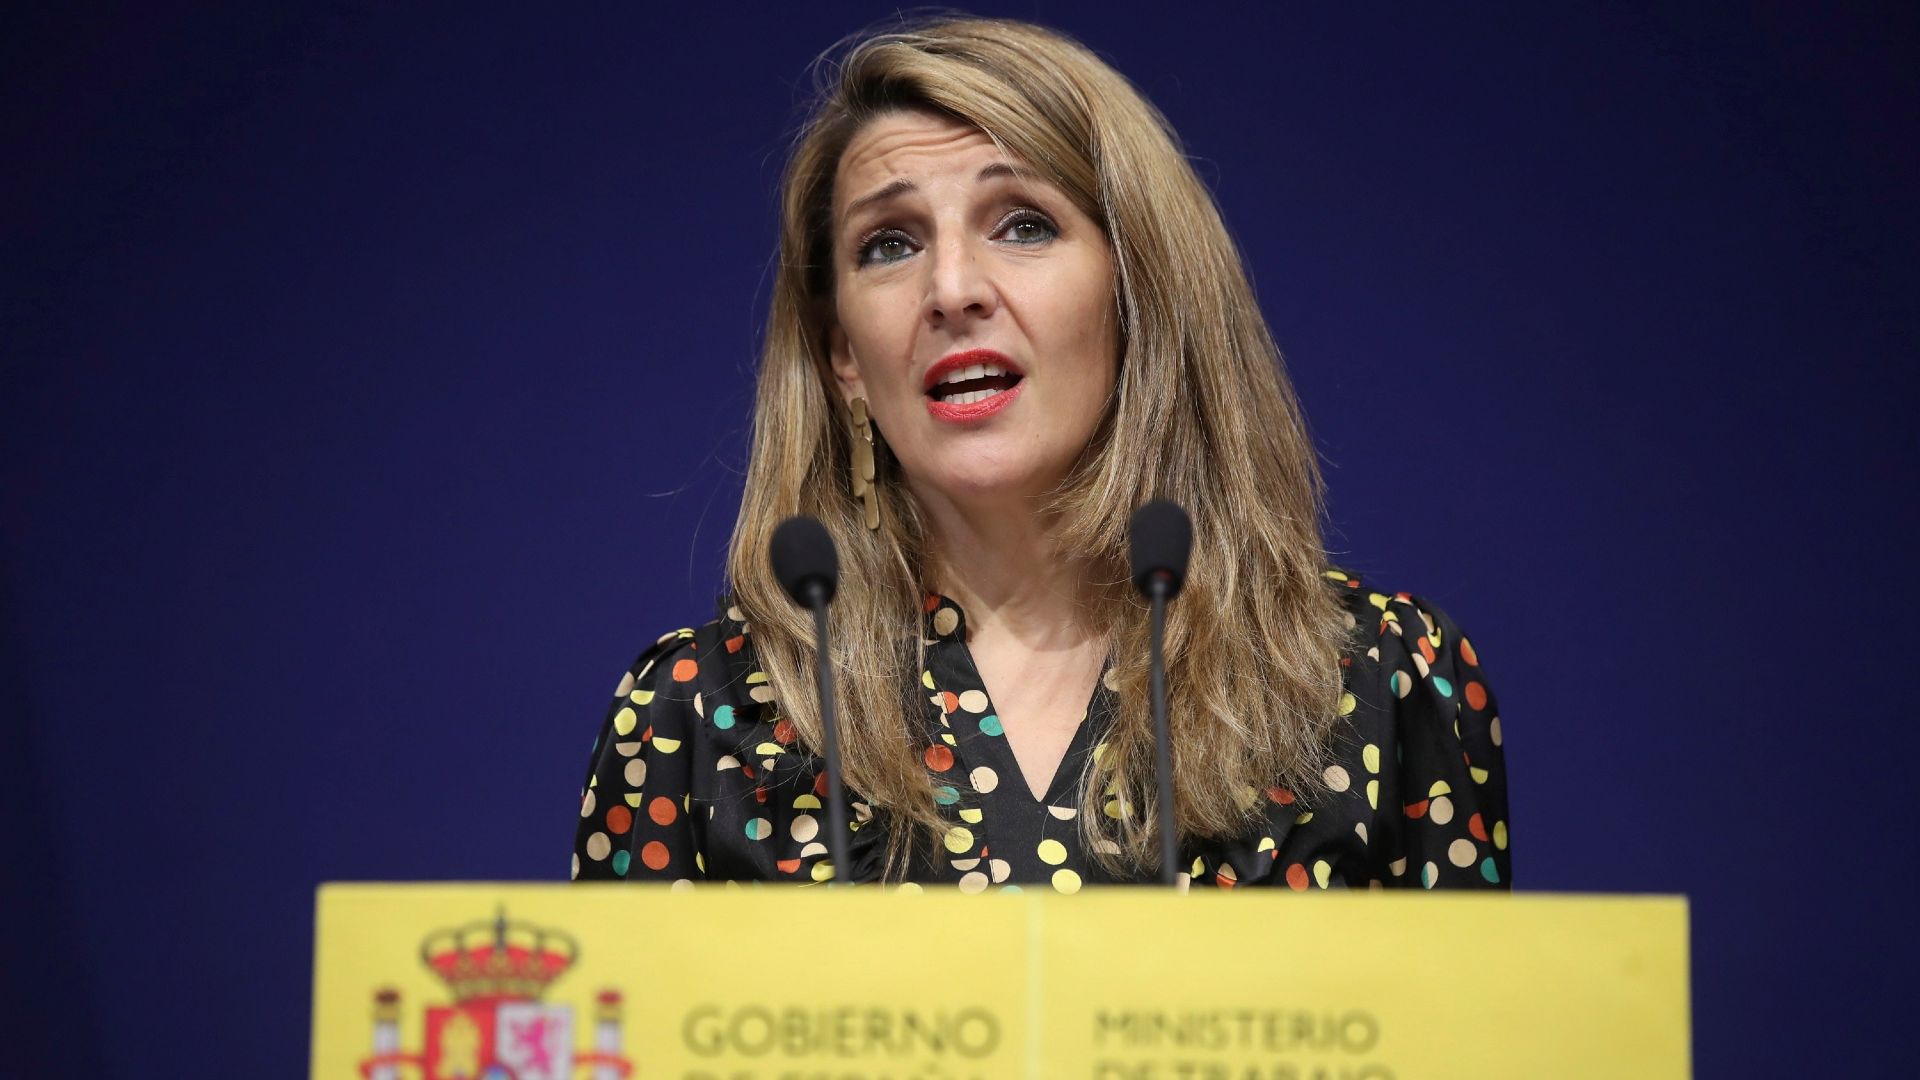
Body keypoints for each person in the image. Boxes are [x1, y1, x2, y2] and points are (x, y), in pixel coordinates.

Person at [572, 16, 1508, 891]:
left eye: (1023, 223)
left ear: (1137, 292)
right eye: (890, 244)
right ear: (843, 355)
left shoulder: (1381, 680)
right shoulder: (698, 721)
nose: (951, 289)